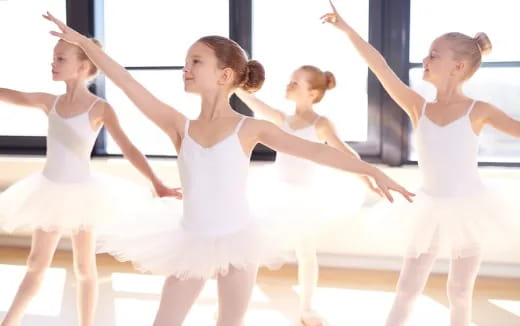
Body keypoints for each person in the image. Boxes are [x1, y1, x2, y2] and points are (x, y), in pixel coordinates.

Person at [44, 12, 414, 326]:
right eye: (186, 61)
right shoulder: (178, 124)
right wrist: (84, 44)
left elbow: (315, 152)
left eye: (196, 61)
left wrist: (371, 170)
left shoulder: (249, 128)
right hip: (191, 239)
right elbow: (125, 81)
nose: (185, 68)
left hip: (240, 239)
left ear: (224, 75)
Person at [322, 1, 520, 325]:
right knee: (407, 288)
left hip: (469, 208)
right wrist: (346, 29)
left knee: (459, 291)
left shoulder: (479, 110)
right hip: (427, 207)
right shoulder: (419, 107)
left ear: (457, 67)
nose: (425, 60)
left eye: (433, 55)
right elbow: (381, 67)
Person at [0, 36, 180, 326]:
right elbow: (15, 96)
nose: (53, 63)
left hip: (83, 194)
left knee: (84, 267)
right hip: (48, 191)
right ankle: (10, 322)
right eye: (53, 58)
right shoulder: (51, 102)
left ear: (83, 66)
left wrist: (157, 183)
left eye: (61, 59)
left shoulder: (99, 108)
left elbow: (129, 148)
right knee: (36, 264)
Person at [235, 66, 378, 325]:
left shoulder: (320, 124)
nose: (288, 85)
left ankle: (307, 309)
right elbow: (256, 104)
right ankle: (236, 307)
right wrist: (234, 86)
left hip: (306, 197)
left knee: (306, 253)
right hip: (276, 192)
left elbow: (345, 153)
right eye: (289, 80)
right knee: (252, 248)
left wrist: (368, 176)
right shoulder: (283, 120)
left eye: (295, 83)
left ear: (312, 93)